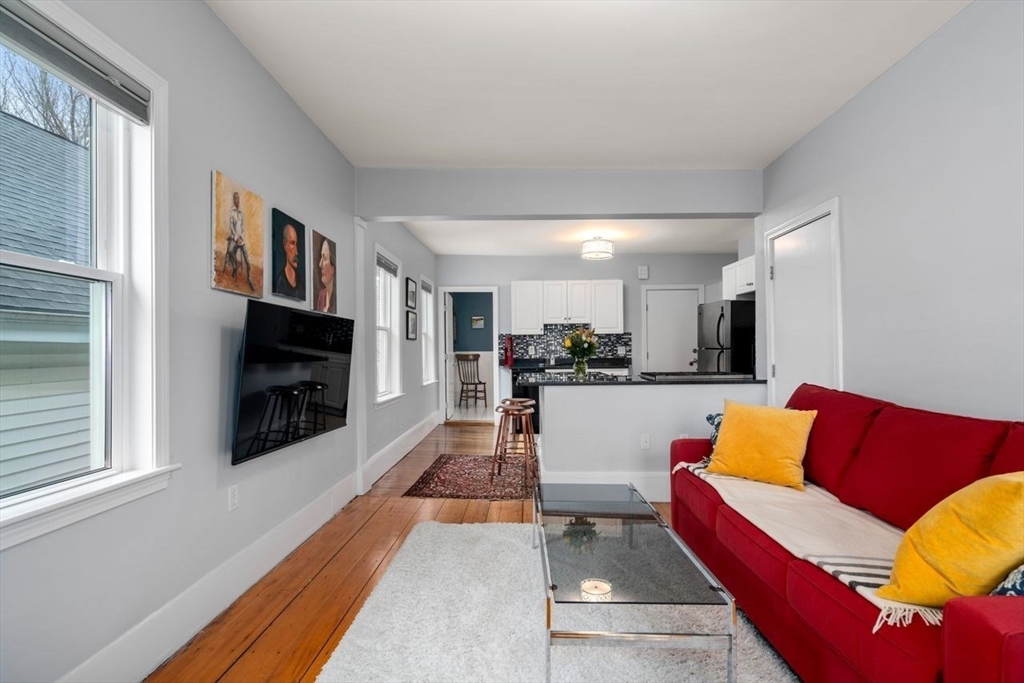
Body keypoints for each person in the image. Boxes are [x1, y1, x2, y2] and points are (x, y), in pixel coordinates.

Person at [225, 191, 254, 291]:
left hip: (241, 240)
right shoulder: (232, 213)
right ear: (234, 200)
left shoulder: (241, 213)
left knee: (247, 260)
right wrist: (236, 237)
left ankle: (249, 279)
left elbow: (243, 227)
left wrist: (241, 237)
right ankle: (236, 265)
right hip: (234, 238)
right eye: (236, 199)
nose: (237, 200)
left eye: (238, 199)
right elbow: (231, 227)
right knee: (230, 251)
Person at [275, 222, 304, 299]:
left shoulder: (301, 285)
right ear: (285, 244)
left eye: (296, 244)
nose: (296, 252)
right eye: (292, 243)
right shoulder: (280, 283)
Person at [315, 238, 335, 313]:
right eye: (321, 257)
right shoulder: (321, 295)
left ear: (333, 268)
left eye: (324, 258)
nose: (320, 264)